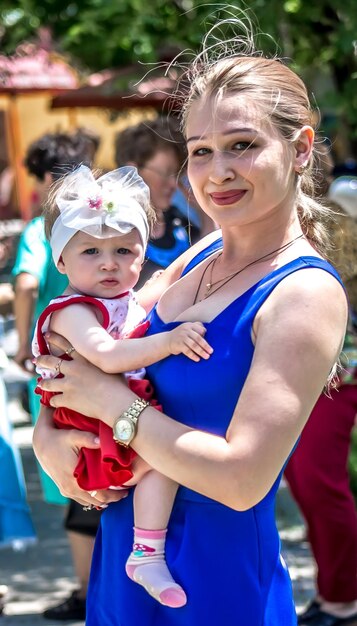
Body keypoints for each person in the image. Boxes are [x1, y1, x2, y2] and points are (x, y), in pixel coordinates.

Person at [32, 18, 348, 626]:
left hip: (212, 580)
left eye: (242, 145)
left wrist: (111, 407)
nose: (217, 171)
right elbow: (88, 352)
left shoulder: (304, 292)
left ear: (301, 148)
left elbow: (241, 479)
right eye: (201, 150)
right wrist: (49, 441)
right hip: (125, 557)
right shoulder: (200, 253)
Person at [32, 164, 212, 607]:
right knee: (169, 459)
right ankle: (146, 551)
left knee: (166, 463)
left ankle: (146, 551)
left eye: (125, 250)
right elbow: (107, 356)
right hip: (95, 427)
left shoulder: (127, 301)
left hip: (113, 417)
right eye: (91, 252)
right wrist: (168, 341)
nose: (110, 262)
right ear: (61, 261)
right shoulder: (73, 310)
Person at [12, 131, 101, 621]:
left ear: (47, 178)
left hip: (56, 365)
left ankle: (89, 590)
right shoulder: (98, 219)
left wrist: (25, 342)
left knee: (77, 480)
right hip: (109, 365)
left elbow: (25, 283)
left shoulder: (41, 229)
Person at [285, 162, 357, 626]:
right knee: (308, 486)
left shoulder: (344, 206)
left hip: (339, 377)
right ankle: (335, 591)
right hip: (307, 376)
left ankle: (343, 599)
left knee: (319, 486)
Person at [114, 117, 201, 287]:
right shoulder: (113, 228)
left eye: (176, 174)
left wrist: (205, 213)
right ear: (132, 170)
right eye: (165, 173)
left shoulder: (178, 222)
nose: (173, 184)